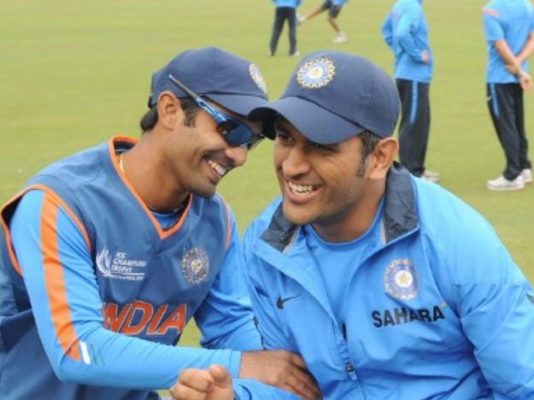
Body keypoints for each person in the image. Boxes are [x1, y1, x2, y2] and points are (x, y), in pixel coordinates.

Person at [171, 50, 534, 399]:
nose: (293, 165)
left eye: (321, 146)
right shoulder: (267, 246)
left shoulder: (454, 239)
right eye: (285, 138)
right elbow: (292, 386)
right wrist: (238, 396)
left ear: (380, 157)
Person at [0, 47, 319, 400]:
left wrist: (284, 374)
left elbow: (231, 326)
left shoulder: (216, 219)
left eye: (251, 141)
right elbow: (76, 348)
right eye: (231, 130)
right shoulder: (60, 203)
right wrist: (240, 364)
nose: (239, 155)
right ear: (169, 109)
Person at [483, 0, 534, 191]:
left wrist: (517, 69)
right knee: (517, 124)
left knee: (506, 126)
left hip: (499, 78)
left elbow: (500, 45)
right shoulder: (527, 6)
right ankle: (524, 167)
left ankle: (512, 174)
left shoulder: (491, 10)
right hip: (516, 77)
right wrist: (520, 65)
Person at [382, 0, 439, 183]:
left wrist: (399, 51)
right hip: (413, 75)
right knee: (413, 123)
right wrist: (416, 54)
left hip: (410, 75)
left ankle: (418, 168)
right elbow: (401, 33)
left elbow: (386, 30)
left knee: (421, 122)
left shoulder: (400, 4)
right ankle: (411, 172)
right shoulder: (412, 6)